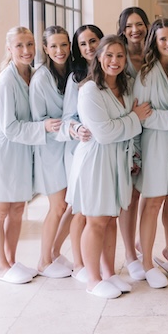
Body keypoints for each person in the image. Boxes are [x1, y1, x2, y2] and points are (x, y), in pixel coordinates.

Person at [0, 26, 58, 284]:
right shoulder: (5, 82)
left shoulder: (34, 75)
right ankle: (1, 267)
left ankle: (11, 260)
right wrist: (42, 127)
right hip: (4, 151)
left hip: (22, 152)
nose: (26, 50)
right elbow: (10, 127)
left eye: (30, 44)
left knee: (18, 208)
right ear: (9, 49)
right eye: (20, 45)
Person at [67, 35, 151, 299]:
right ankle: (93, 280)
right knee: (96, 220)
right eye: (109, 55)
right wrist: (134, 118)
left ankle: (109, 273)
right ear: (99, 58)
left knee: (111, 219)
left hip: (117, 160)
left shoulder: (125, 89)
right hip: (96, 161)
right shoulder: (90, 90)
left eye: (120, 56)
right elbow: (103, 133)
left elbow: (123, 131)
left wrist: (134, 155)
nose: (114, 61)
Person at [133, 18, 168, 288]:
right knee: (153, 202)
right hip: (155, 144)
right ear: (154, 43)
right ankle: (146, 262)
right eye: (163, 39)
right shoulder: (145, 74)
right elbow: (142, 116)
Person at [55, 24, 102, 281]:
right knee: (79, 208)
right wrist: (77, 128)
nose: (89, 47)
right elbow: (68, 117)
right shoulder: (76, 78)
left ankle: (66, 255)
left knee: (89, 208)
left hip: (104, 150)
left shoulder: (111, 69)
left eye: (93, 41)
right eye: (83, 44)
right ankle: (78, 262)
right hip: (80, 149)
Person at [30, 26, 74, 278]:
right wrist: (67, 128)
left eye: (64, 45)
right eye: (54, 46)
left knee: (71, 204)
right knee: (57, 206)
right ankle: (43, 261)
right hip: (50, 149)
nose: (60, 51)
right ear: (45, 49)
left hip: (68, 147)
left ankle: (55, 252)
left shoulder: (70, 72)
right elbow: (40, 120)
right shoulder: (41, 78)